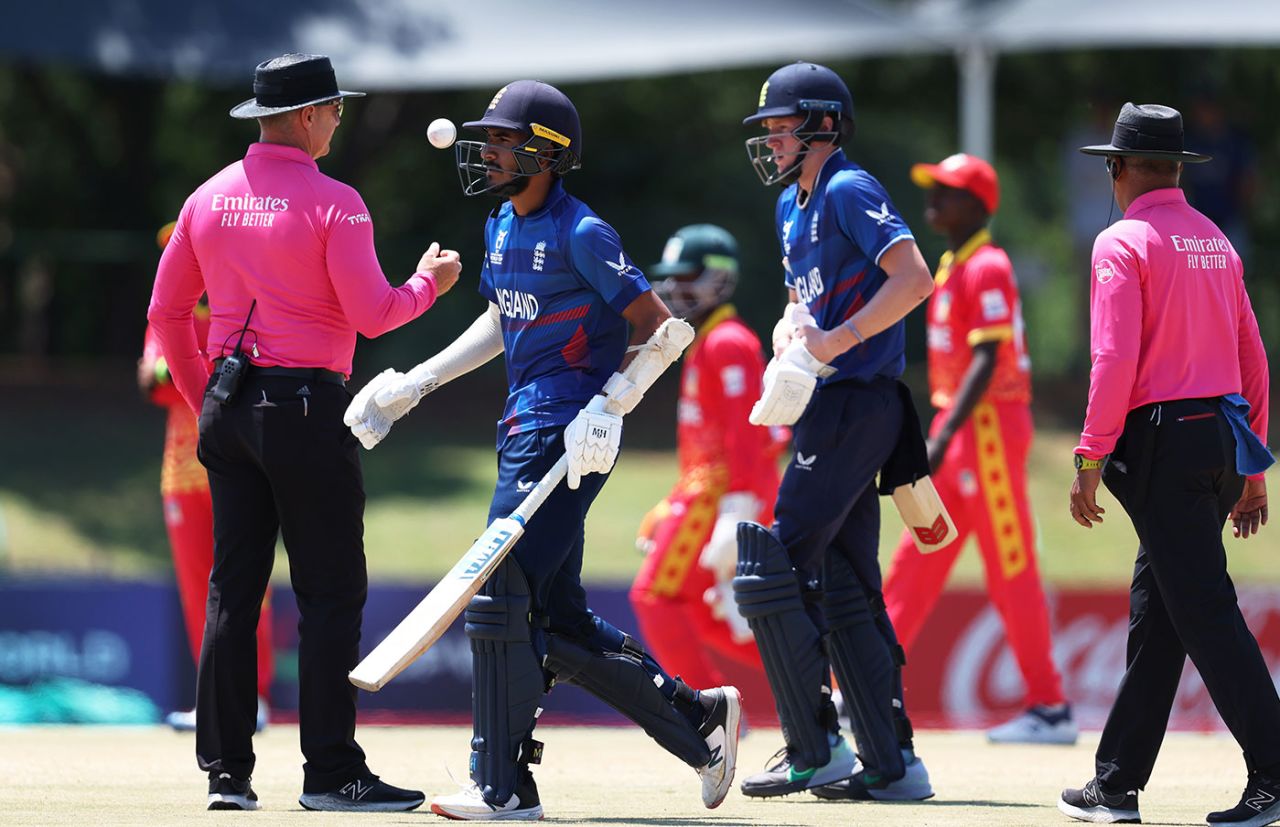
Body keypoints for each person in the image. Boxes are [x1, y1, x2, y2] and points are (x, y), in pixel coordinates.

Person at [344, 80, 740, 821]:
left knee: (498, 595)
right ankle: (701, 722)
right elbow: (502, 319)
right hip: (523, 428)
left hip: (569, 435)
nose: (488, 151)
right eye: (488, 139)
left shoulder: (583, 231)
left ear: (547, 154)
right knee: (555, 620)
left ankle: (501, 785)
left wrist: (611, 402)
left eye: (502, 140)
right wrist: (416, 382)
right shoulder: (501, 224)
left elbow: (661, 329)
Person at [146, 53, 460, 812]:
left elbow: (165, 317)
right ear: (308, 116)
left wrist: (207, 404)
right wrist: (430, 283)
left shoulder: (206, 197)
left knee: (233, 590)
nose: (340, 120)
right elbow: (376, 313)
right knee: (329, 591)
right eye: (336, 109)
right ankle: (331, 775)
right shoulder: (338, 202)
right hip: (306, 410)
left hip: (226, 408)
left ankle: (228, 775)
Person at [1059, 102, 1278, 827]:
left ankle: (1276, 770)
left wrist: (1091, 453)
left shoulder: (1121, 241)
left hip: (1163, 439)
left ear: (1117, 168)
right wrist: (1252, 469)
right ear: (1179, 169)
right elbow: (1253, 359)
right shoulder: (1217, 238)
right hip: (1219, 437)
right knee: (1163, 610)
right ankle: (1116, 782)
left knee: (1204, 610)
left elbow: (1113, 357)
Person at [732, 60, 935, 802]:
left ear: (820, 123)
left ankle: (814, 746)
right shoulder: (791, 206)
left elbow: (914, 279)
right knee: (847, 580)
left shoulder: (849, 187)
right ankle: (893, 761)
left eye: (781, 127)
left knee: (774, 565)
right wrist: (792, 333)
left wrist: (840, 338)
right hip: (827, 401)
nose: (771, 141)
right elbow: (801, 299)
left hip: (862, 400)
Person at [882, 153, 1075, 745]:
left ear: (977, 204)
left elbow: (989, 360)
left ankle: (1050, 708)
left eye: (948, 190)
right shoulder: (952, 263)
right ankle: (860, 692)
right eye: (934, 188)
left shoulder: (986, 265)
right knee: (920, 558)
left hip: (986, 431)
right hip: (964, 428)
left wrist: (939, 436)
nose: (934, 198)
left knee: (1009, 566)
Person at [628, 224, 781, 715]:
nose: (674, 288)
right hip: (702, 495)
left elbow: (748, 438)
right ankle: (824, 680)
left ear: (720, 278)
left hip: (718, 498)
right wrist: (669, 501)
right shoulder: (708, 340)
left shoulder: (727, 343)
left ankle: (704, 713)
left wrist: (739, 512)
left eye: (687, 275)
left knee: (654, 595)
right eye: (670, 278)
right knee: (700, 611)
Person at [139, 221, 274, 734]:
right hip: (182, 470)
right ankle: (214, 699)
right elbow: (150, 378)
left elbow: (248, 369)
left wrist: (186, 366)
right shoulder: (167, 312)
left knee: (248, 583)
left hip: (242, 461)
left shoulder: (245, 299)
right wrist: (196, 364)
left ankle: (254, 698)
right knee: (200, 590)